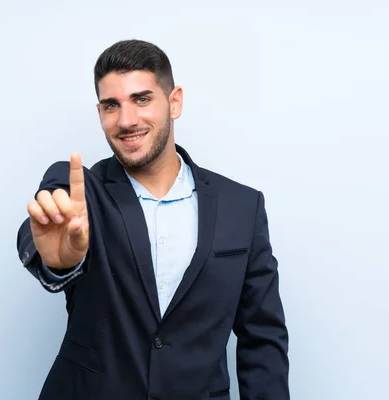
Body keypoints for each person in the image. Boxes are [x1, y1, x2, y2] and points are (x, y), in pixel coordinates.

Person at [16, 39, 289, 400]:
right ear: (100, 113)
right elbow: (44, 226)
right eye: (112, 105)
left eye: (142, 99)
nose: (126, 121)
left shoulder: (242, 206)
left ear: (174, 102)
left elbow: (263, 338)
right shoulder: (79, 189)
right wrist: (59, 261)